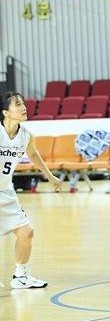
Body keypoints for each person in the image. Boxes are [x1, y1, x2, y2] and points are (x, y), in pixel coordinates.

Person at [0, 92, 62, 289]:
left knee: (26, 232)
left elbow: (34, 155)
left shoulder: (26, 135)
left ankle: (20, 277)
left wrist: (50, 177)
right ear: (5, 112)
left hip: (5, 191)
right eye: (18, 104)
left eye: (23, 103)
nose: (24, 107)